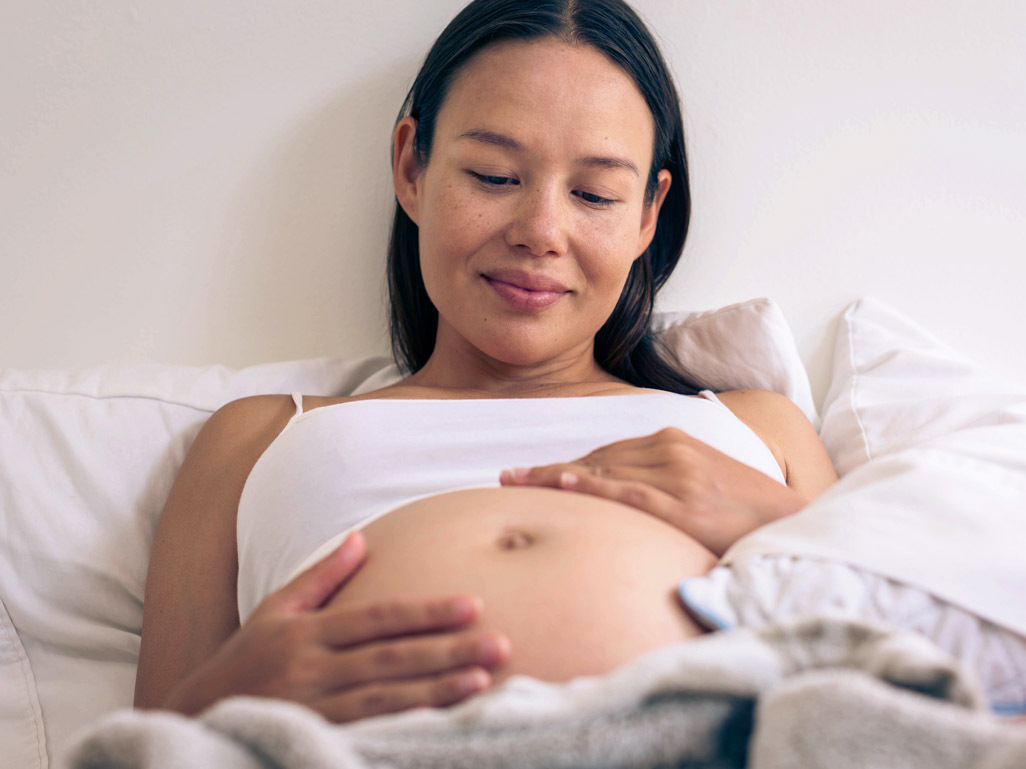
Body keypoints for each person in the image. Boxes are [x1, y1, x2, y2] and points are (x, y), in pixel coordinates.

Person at [134, 0, 838, 725]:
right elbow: (147, 744)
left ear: (648, 214)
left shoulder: (761, 429)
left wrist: (785, 522)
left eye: (594, 194)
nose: (540, 232)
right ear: (412, 167)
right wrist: (224, 697)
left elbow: (904, 672)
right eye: (496, 176)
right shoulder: (254, 438)